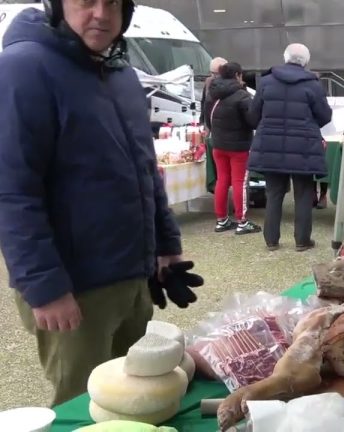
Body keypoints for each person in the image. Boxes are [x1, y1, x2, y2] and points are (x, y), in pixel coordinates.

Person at [0, 0, 203, 406]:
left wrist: (165, 247)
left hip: (132, 275)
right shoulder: (21, 67)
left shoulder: (120, 72)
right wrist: (44, 286)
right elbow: (12, 189)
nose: (101, 14)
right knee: (84, 405)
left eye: (113, 3)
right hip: (74, 286)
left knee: (141, 396)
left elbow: (146, 171)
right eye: (85, 1)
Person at [249, 43, 333, 252]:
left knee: (274, 193)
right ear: (306, 61)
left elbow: (253, 115)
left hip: (271, 144)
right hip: (303, 145)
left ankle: (271, 240)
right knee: (304, 194)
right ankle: (302, 240)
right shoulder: (312, 84)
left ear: (285, 58)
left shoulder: (266, 82)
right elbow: (325, 116)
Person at [204, 62, 261, 235]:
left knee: (222, 180)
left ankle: (221, 220)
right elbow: (253, 121)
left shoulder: (212, 93)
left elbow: (208, 119)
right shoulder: (242, 96)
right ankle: (242, 221)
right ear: (237, 75)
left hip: (218, 144)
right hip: (239, 146)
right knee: (239, 182)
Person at [201, 56, 228, 130]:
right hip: (209, 124)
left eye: (217, 74)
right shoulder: (208, 82)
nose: (215, 76)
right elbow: (203, 102)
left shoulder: (229, 84)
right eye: (212, 73)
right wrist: (202, 122)